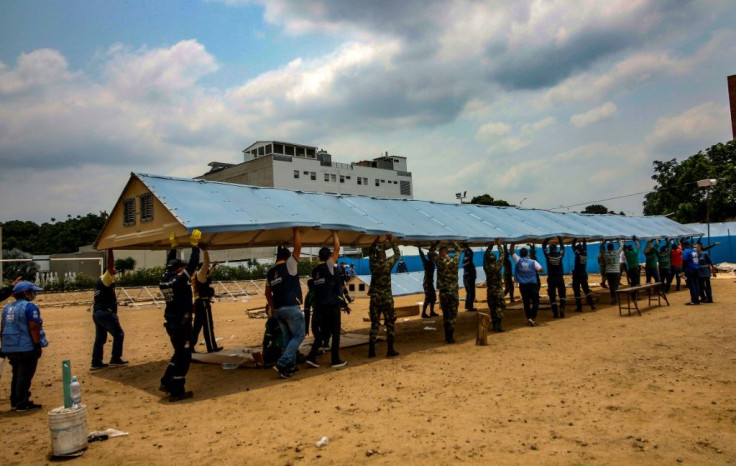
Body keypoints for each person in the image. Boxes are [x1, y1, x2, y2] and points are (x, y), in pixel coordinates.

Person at [158, 229, 201, 402]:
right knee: (184, 356)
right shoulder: (179, 279)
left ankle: (166, 381)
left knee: (177, 353)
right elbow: (193, 264)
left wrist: (173, 247)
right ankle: (177, 389)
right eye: (181, 268)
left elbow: (169, 264)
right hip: (182, 323)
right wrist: (194, 246)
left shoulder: (164, 279)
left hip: (171, 322)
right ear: (178, 270)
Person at [1, 280, 47, 411]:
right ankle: (22, 402)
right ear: (26, 293)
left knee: (16, 374)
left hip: (10, 347)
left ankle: (15, 401)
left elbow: (2, 328)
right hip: (25, 347)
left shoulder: (7, 308)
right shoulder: (30, 307)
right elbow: (33, 327)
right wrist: (37, 345)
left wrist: (4, 345)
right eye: (32, 292)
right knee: (25, 375)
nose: (33, 294)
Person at [265, 227, 305, 378]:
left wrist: (272, 306)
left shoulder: (270, 273)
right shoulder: (290, 265)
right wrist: (296, 231)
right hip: (291, 307)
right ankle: (283, 362)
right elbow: (298, 247)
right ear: (288, 257)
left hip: (279, 310)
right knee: (299, 335)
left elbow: (267, 292)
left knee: (288, 338)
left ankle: (291, 367)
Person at [306, 231, 347, 368]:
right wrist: (334, 233)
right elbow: (337, 248)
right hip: (332, 306)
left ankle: (312, 356)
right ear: (329, 257)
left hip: (321, 307)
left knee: (323, 332)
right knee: (335, 333)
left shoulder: (315, 271)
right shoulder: (329, 266)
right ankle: (335, 359)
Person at [90, 249, 128, 371]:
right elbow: (110, 264)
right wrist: (110, 248)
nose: (115, 270)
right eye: (113, 270)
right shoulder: (105, 279)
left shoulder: (100, 283)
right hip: (105, 313)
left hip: (97, 313)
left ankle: (96, 362)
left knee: (100, 339)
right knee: (118, 334)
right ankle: (115, 358)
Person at [367, 233, 400, 358]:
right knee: (390, 322)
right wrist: (391, 241)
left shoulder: (373, 264)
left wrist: (375, 241)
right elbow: (397, 254)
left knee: (375, 324)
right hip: (386, 297)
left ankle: (371, 350)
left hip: (375, 297)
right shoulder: (388, 263)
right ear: (385, 256)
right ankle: (390, 349)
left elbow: (370, 253)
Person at [191, 246, 223, 354]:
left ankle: (190, 347)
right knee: (208, 326)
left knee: (196, 327)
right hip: (204, 304)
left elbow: (208, 273)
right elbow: (206, 264)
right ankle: (211, 348)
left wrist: (213, 267)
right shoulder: (200, 274)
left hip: (198, 304)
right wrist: (205, 250)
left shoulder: (197, 276)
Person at [429, 241, 461, 343]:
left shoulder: (439, 262)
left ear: (441, 253)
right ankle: (450, 335)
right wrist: (453, 243)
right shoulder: (454, 261)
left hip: (444, 294)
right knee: (453, 315)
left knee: (446, 315)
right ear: (446, 252)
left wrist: (436, 242)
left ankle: (448, 336)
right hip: (453, 293)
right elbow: (458, 251)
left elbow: (430, 252)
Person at [511, 244, 544, 326]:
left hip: (523, 286)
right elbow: (541, 270)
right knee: (535, 302)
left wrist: (513, 243)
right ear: (527, 254)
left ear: (520, 254)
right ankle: (532, 318)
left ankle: (529, 317)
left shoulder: (518, 260)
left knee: (526, 302)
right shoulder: (533, 262)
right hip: (532, 285)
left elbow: (511, 252)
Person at [483, 239, 506, 332]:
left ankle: (494, 325)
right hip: (498, 290)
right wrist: (499, 245)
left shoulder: (486, 267)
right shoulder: (498, 266)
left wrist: (490, 246)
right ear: (495, 259)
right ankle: (498, 326)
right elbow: (502, 255)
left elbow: (485, 256)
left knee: (492, 308)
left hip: (490, 291)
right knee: (500, 307)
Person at [542, 236, 566, 318]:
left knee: (552, 296)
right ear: (556, 248)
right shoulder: (560, 255)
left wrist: (547, 238)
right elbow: (563, 248)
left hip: (551, 278)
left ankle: (555, 313)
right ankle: (562, 308)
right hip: (560, 278)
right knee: (562, 295)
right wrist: (560, 239)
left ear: (550, 249)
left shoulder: (548, 255)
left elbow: (543, 246)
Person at [571, 238, 595, 312]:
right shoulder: (585, 253)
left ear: (577, 249)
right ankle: (592, 304)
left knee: (577, 291)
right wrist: (584, 239)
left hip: (577, 275)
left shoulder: (578, 254)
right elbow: (584, 247)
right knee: (586, 290)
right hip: (583, 274)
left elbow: (573, 246)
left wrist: (575, 238)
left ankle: (579, 307)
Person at [417, 246, 439, 318]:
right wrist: (419, 248)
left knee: (433, 297)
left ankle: (431, 312)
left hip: (429, 282)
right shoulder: (426, 262)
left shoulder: (432, 262)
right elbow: (422, 256)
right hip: (427, 283)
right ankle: (423, 313)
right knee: (428, 298)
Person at [601, 240, 622, 304]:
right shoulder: (616, 253)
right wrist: (618, 239)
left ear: (608, 248)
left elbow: (601, 247)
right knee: (616, 286)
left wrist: (604, 241)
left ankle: (613, 298)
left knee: (611, 286)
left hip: (609, 272)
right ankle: (615, 297)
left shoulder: (605, 254)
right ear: (613, 248)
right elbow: (621, 246)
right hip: (616, 271)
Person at [681, 239, 700, 305]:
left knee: (691, 285)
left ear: (683, 246)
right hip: (696, 269)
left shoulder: (686, 251)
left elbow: (684, 261)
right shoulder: (694, 251)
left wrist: (683, 271)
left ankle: (694, 300)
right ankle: (697, 299)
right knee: (696, 284)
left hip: (690, 270)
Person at [462, 243, 478, 312]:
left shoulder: (464, 261)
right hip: (470, 278)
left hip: (465, 277)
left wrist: (466, 249)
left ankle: (467, 306)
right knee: (471, 293)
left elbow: (468, 254)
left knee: (468, 292)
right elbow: (471, 253)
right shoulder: (469, 261)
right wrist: (467, 247)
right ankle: (470, 307)